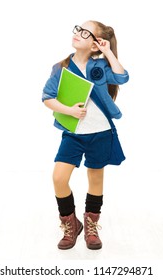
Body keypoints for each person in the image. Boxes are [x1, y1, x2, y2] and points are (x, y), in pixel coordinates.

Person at [42, 20, 129, 250]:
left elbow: (122, 77)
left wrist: (107, 51)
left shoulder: (99, 66)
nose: (78, 33)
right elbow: (47, 98)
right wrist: (69, 111)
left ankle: (91, 226)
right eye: (78, 29)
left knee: (96, 178)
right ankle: (71, 223)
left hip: (100, 132)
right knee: (59, 178)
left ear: (94, 44)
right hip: (73, 133)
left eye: (85, 32)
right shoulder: (61, 67)